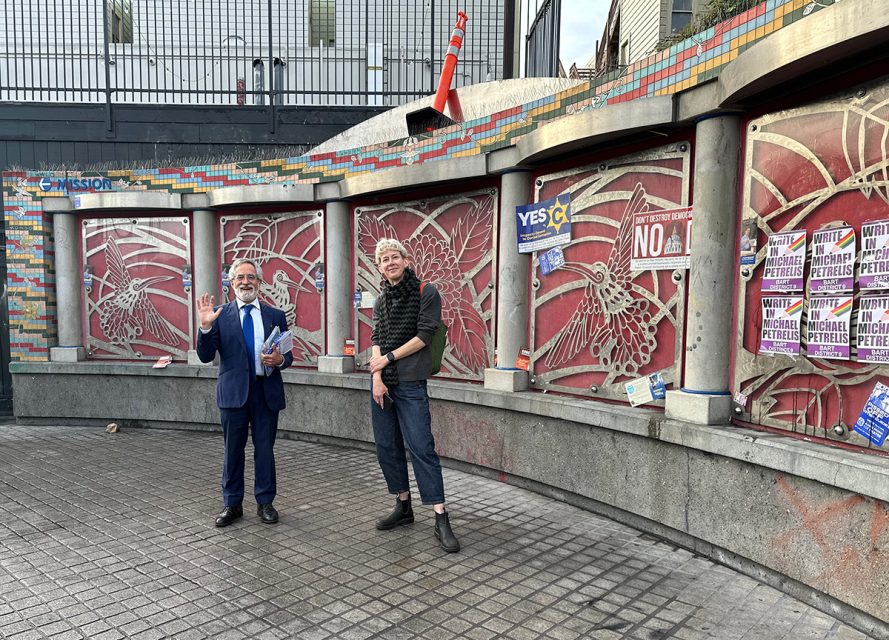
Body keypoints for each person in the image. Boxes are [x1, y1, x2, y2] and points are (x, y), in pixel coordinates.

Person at [368, 238, 460, 553]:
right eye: (384, 259)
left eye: (395, 257)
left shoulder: (426, 292)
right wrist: (377, 376)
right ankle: (403, 506)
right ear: (379, 267)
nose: (390, 262)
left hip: (410, 383)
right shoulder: (381, 300)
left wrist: (388, 360)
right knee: (387, 447)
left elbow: (424, 335)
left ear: (406, 260)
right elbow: (376, 338)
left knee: (422, 447)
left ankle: (440, 516)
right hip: (383, 384)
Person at [196, 258, 293, 527]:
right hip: (233, 394)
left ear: (260, 283)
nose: (245, 282)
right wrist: (205, 327)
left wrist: (280, 361)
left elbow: (288, 355)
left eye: (251, 277)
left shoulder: (275, 315)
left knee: (265, 450)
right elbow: (205, 356)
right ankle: (232, 504)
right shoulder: (218, 315)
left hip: (265, 393)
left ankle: (265, 502)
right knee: (232, 451)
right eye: (239, 277)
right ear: (231, 283)